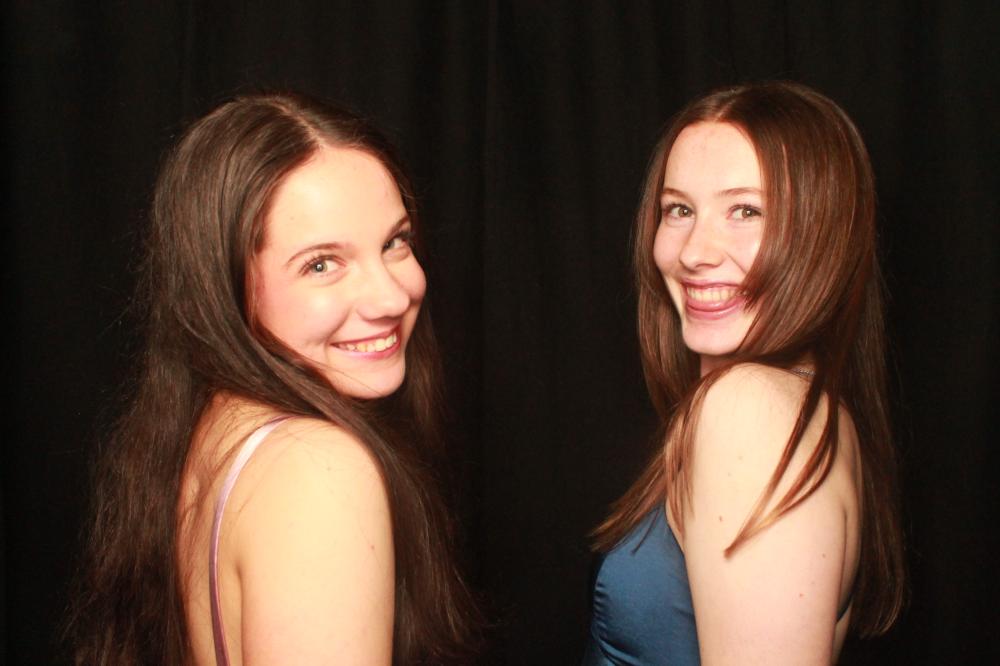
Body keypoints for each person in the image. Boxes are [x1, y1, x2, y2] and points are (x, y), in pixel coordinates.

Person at [68, 92, 480, 664]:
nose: (391, 297)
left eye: (394, 242)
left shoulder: (212, 430)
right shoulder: (317, 469)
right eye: (321, 264)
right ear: (226, 288)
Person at [584, 82, 906, 664]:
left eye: (746, 211)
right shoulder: (805, 407)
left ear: (823, 235)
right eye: (679, 210)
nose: (694, 252)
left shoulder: (752, 409)